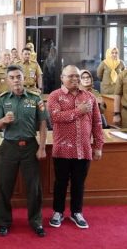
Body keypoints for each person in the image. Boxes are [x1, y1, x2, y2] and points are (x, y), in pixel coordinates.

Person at [0, 65, 47, 237]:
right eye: (12, 77)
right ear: (8, 80)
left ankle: (36, 222)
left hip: (30, 146)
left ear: (24, 78)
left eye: (18, 77)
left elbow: (43, 124)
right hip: (9, 147)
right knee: (4, 187)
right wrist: (3, 120)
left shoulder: (35, 98)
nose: (16, 80)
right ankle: (4, 222)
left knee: (34, 188)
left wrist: (42, 147)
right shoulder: (1, 99)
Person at [47, 65, 104, 229]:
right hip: (62, 149)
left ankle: (76, 212)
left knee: (79, 183)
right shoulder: (55, 96)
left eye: (77, 76)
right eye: (71, 76)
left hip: (84, 148)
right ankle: (58, 212)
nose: (75, 79)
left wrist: (98, 145)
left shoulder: (90, 97)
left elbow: (97, 123)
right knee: (61, 183)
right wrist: (78, 111)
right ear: (62, 77)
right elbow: (55, 117)